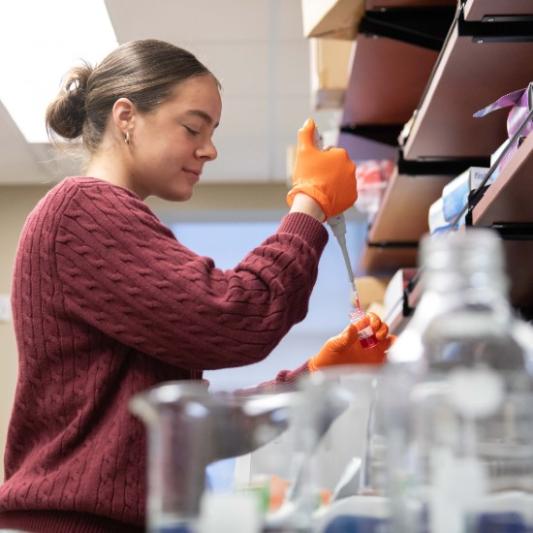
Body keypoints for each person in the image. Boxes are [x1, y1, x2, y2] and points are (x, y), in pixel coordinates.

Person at [0, 39, 392, 532]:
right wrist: (308, 206)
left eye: (212, 132)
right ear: (127, 117)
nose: (209, 149)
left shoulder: (117, 225)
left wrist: (318, 375)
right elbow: (237, 317)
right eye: (192, 128)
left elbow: (192, 433)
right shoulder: (82, 210)